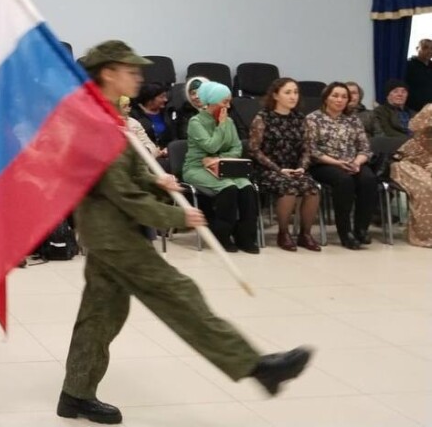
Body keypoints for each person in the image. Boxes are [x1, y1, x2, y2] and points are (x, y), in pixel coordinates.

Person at [58, 41, 311, 425]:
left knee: (100, 316)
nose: (138, 77)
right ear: (108, 73)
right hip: (113, 234)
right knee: (179, 294)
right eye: (130, 70)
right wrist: (178, 216)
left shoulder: (108, 113)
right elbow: (121, 193)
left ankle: (75, 394)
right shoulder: (96, 121)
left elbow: (124, 172)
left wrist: (157, 180)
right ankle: (255, 367)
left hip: (108, 230)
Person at [182, 82, 260, 254]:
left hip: (224, 165)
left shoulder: (229, 121)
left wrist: (219, 159)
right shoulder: (196, 122)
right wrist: (221, 125)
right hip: (197, 168)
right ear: (212, 101)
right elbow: (210, 146)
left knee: (246, 187)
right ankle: (222, 235)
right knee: (228, 188)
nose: (228, 106)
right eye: (225, 102)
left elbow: (237, 148)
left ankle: (245, 237)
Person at [248, 78, 321, 252]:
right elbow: (254, 150)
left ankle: (305, 234)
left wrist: (302, 167)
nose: (293, 96)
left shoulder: (300, 118)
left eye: (295, 92)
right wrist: (278, 169)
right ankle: (283, 233)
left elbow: (307, 148)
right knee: (288, 188)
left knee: (312, 189)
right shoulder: (263, 118)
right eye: (287, 92)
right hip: (268, 169)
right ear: (275, 95)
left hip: (294, 168)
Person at [305, 82, 378, 249]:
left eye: (344, 97)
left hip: (352, 162)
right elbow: (311, 150)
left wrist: (357, 162)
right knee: (344, 181)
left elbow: (365, 148)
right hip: (324, 164)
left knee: (368, 179)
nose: (340, 100)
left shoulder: (353, 119)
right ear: (326, 98)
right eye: (335, 96)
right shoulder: (313, 119)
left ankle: (361, 229)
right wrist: (337, 163)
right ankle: (345, 233)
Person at [389, 104, 432, 248]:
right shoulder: (429, 111)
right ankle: (424, 234)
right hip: (408, 163)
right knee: (427, 187)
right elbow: (415, 128)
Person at [130, 82, 173, 157]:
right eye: (161, 97)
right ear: (150, 99)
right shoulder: (134, 115)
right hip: (147, 155)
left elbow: (174, 136)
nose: (165, 99)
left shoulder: (168, 112)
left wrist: (169, 148)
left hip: (168, 154)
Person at [404, 39, 432, 112]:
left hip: (430, 110)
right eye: (425, 47)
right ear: (417, 48)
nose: (429, 51)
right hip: (412, 110)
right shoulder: (408, 65)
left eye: (431, 48)